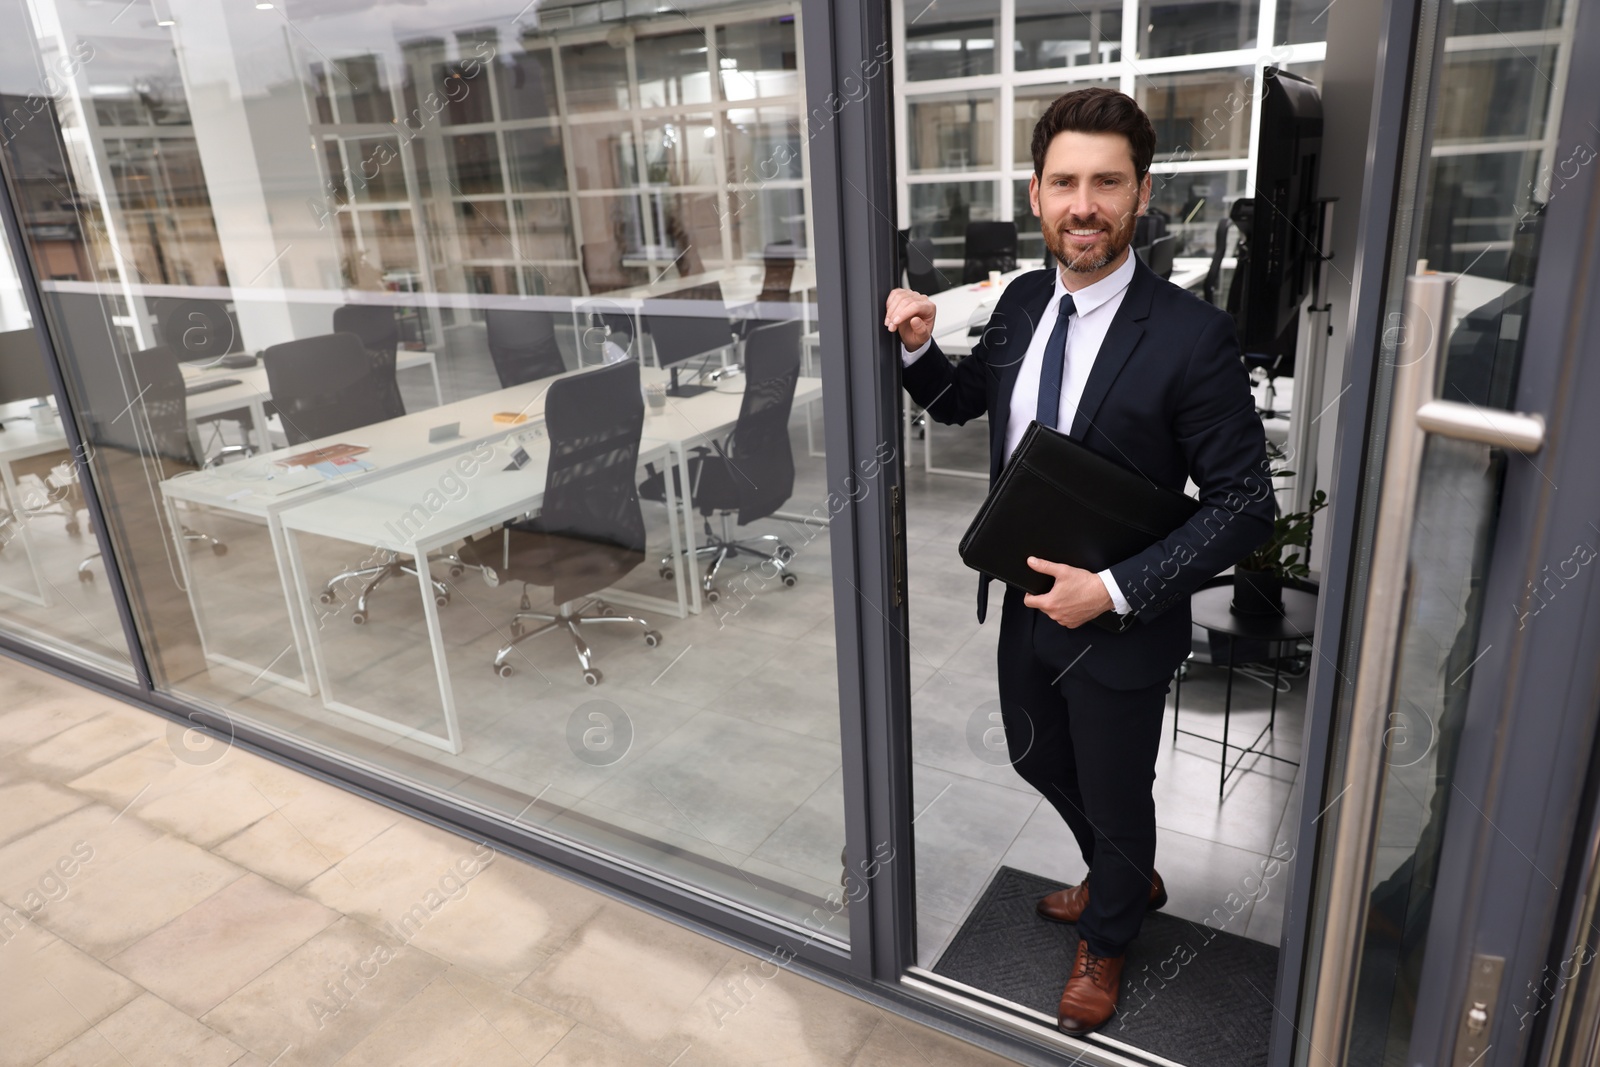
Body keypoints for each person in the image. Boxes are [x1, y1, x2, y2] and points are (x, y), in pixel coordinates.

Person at [883, 88, 1274, 1036]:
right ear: (1036, 193)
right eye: (1066, 182)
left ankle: (1110, 930)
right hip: (1027, 598)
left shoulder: (1189, 335)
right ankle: (1120, 873)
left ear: (1139, 196)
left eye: (1107, 183)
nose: (1084, 204)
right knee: (1030, 749)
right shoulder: (1022, 301)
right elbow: (966, 402)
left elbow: (1245, 506)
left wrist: (1114, 589)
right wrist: (920, 349)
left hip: (1120, 617)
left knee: (1114, 788)